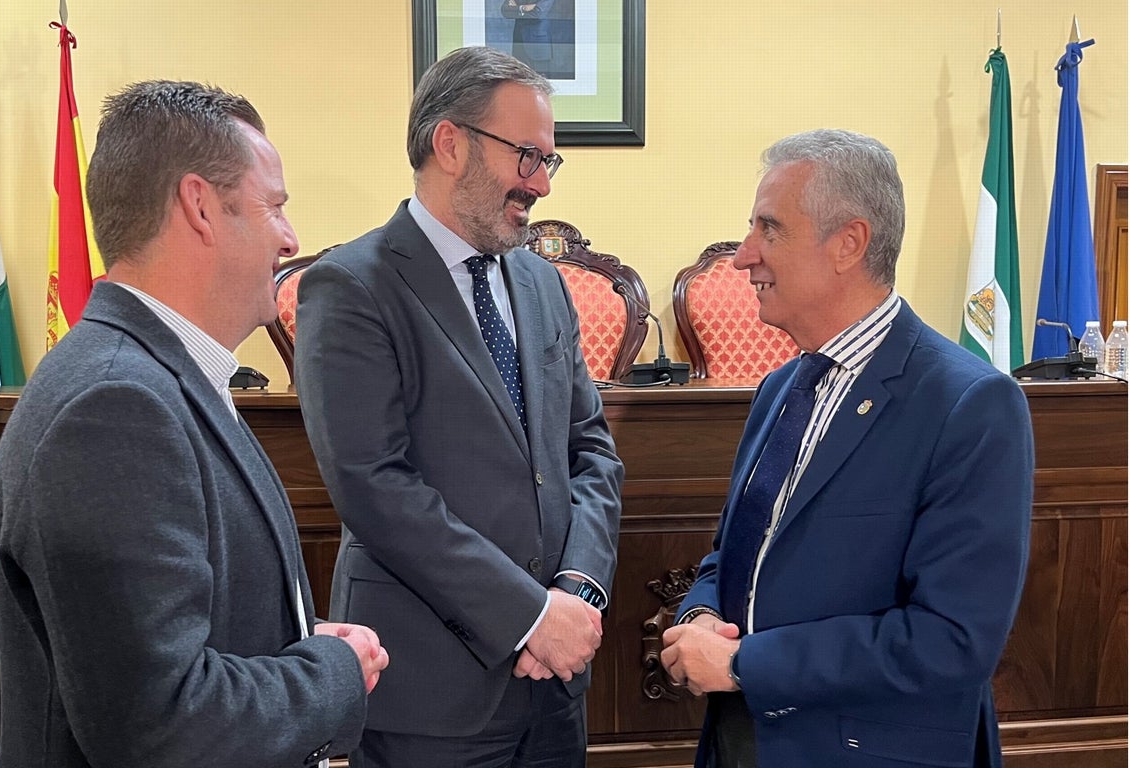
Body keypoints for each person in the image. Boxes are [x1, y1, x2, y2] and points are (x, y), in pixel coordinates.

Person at [0, 80, 388, 768]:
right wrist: (333, 673)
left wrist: (293, 630)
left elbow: (154, 633)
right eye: (275, 206)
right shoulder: (114, 406)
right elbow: (160, 723)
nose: (291, 237)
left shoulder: (156, 375)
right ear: (201, 206)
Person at [660, 129, 1033, 768]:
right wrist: (699, 616)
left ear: (849, 244)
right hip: (741, 739)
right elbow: (735, 553)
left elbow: (952, 639)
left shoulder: (969, 404)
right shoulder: (780, 388)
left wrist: (746, 664)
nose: (744, 256)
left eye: (769, 229)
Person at [295, 46, 624, 767]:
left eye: (549, 162)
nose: (539, 183)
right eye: (527, 156)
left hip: (555, 682)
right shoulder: (350, 286)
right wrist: (527, 615)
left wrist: (575, 592)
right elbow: (373, 485)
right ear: (450, 143)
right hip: (428, 695)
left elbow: (591, 449)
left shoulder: (544, 284)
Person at [500, 0, 575, 79]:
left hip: (538, 45)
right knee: (519, 80)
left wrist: (516, 8)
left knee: (540, 82)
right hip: (519, 42)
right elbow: (505, 11)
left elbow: (538, 14)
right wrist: (523, 8)